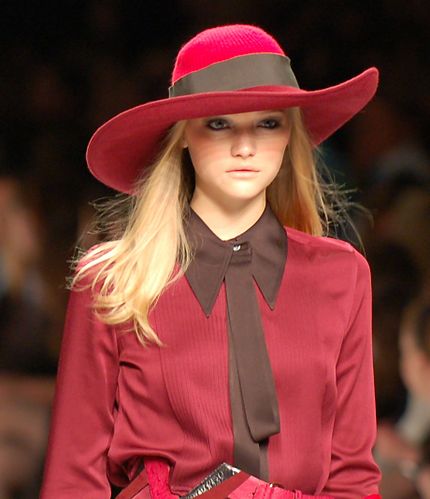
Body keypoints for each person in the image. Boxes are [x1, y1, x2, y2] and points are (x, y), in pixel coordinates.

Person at [40, 24, 381, 498]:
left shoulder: (341, 276)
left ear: (290, 134)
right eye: (219, 123)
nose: (245, 146)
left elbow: (352, 477)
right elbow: (73, 478)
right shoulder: (115, 282)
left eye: (268, 123)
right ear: (183, 135)